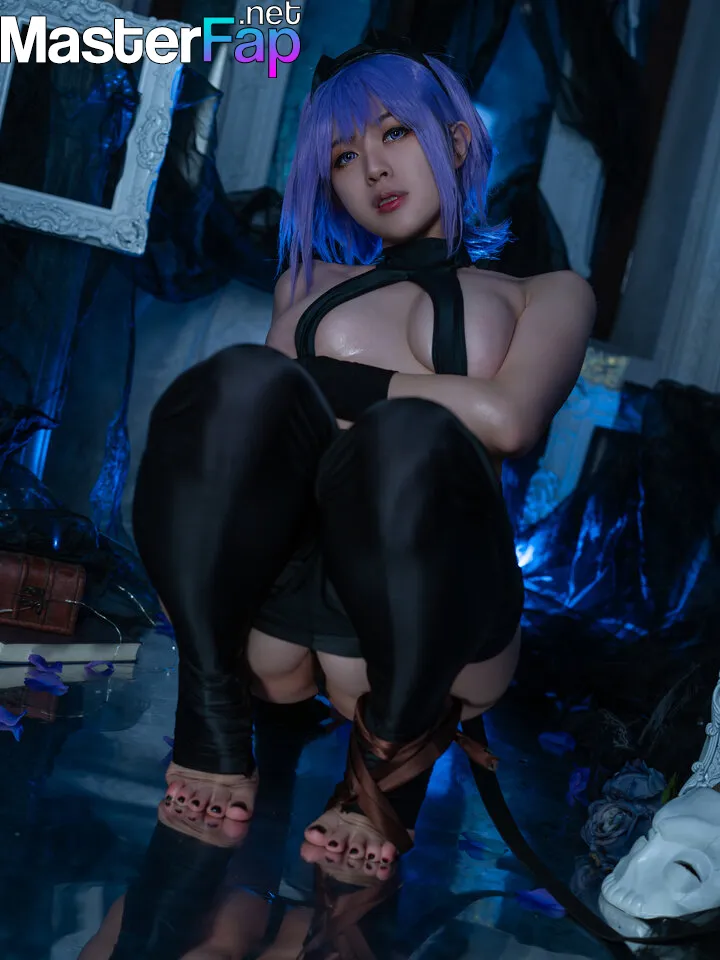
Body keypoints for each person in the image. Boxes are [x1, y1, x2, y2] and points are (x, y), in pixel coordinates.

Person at [132, 32, 595, 868]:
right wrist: (340, 389)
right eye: (344, 156)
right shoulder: (306, 283)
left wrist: (335, 383)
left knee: (408, 436)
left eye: (395, 133)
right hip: (281, 611)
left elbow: (508, 419)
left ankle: (389, 767)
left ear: (458, 142)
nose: (373, 170)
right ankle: (208, 712)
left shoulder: (548, 294)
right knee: (238, 381)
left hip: (432, 624)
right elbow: (255, 436)